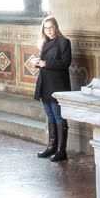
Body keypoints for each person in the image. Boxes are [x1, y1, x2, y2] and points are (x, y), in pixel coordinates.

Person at [33, 16, 72, 162]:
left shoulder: (63, 42)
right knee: (49, 116)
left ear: (56, 27)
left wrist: (45, 64)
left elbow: (65, 63)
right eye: (46, 28)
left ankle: (62, 150)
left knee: (58, 116)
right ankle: (51, 146)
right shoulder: (43, 43)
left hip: (57, 84)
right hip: (45, 83)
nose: (48, 31)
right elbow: (43, 62)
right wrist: (37, 62)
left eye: (51, 27)